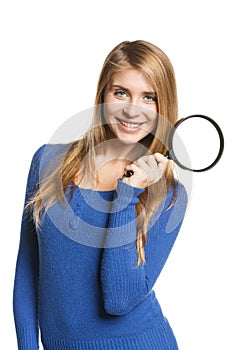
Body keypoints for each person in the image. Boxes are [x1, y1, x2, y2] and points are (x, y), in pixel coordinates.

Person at [13, 40, 188, 349]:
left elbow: (118, 300)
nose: (132, 110)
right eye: (120, 92)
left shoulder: (169, 196)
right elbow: (28, 270)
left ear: (163, 107)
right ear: (103, 95)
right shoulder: (48, 161)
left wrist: (128, 195)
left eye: (149, 97)